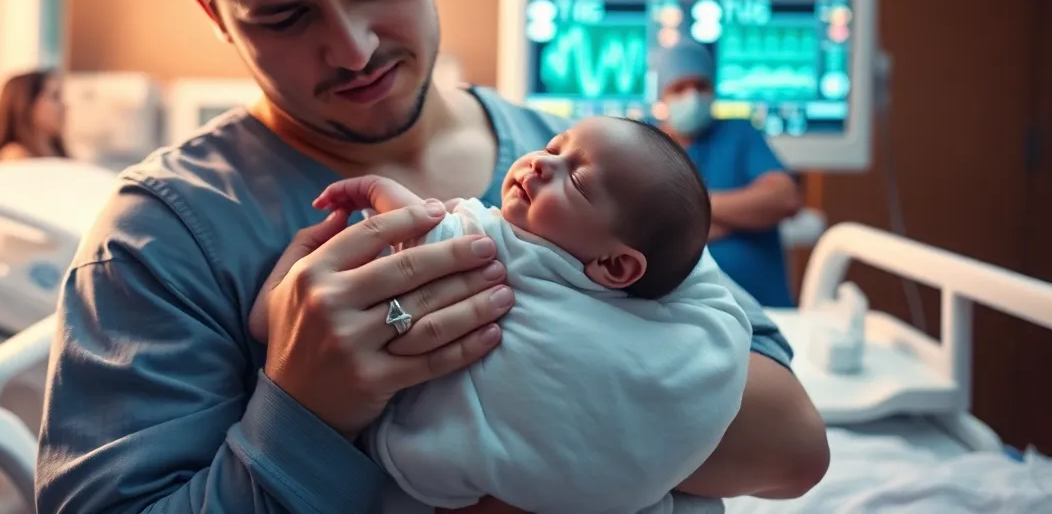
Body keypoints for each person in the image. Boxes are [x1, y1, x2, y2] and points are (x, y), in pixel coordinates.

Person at [35, 0, 829, 514]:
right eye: (283, 17)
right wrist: (304, 407)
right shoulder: (163, 239)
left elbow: (793, 446)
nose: (351, 48)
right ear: (213, 13)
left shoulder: (579, 162)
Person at [246, 116, 753, 514]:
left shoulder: (511, 249)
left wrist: (382, 193)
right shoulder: (691, 324)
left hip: (429, 467)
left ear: (617, 265)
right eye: (553, 148)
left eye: (575, 180)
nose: (540, 164)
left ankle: (273, 312)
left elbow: (433, 235)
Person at [653, 41, 803, 308]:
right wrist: (744, 215)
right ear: (662, 95)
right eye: (679, 88)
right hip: (678, 314)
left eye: (701, 86)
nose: (692, 95)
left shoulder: (739, 134)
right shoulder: (646, 144)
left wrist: (693, 209)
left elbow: (784, 198)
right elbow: (644, 228)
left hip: (764, 310)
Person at [0, 69, 69, 162]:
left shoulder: (56, 151)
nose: (63, 106)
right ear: (28, 105)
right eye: (55, 96)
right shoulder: (15, 156)